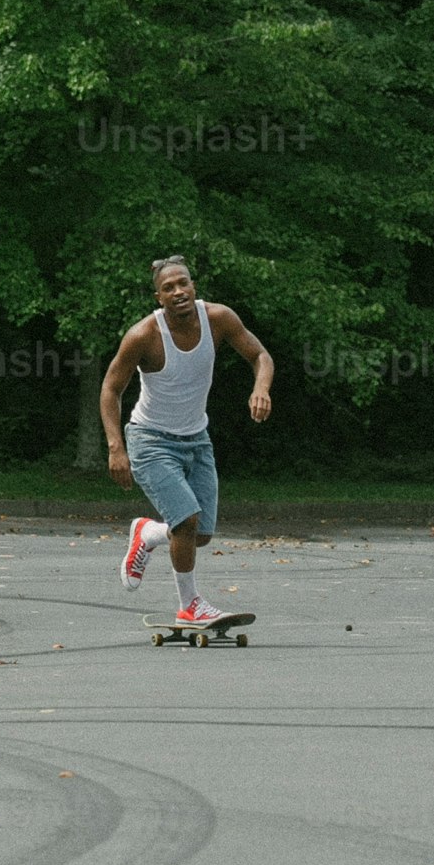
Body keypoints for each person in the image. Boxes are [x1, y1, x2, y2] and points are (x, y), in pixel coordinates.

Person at [102, 255, 274, 625]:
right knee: (186, 522)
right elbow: (111, 388)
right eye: (169, 288)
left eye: (183, 283)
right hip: (150, 441)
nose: (178, 291)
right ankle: (189, 606)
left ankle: (148, 533)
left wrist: (261, 388)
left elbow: (260, 355)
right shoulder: (144, 336)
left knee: (200, 535)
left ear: (193, 286)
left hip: (197, 439)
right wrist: (116, 447)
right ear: (158, 297)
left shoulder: (218, 319)